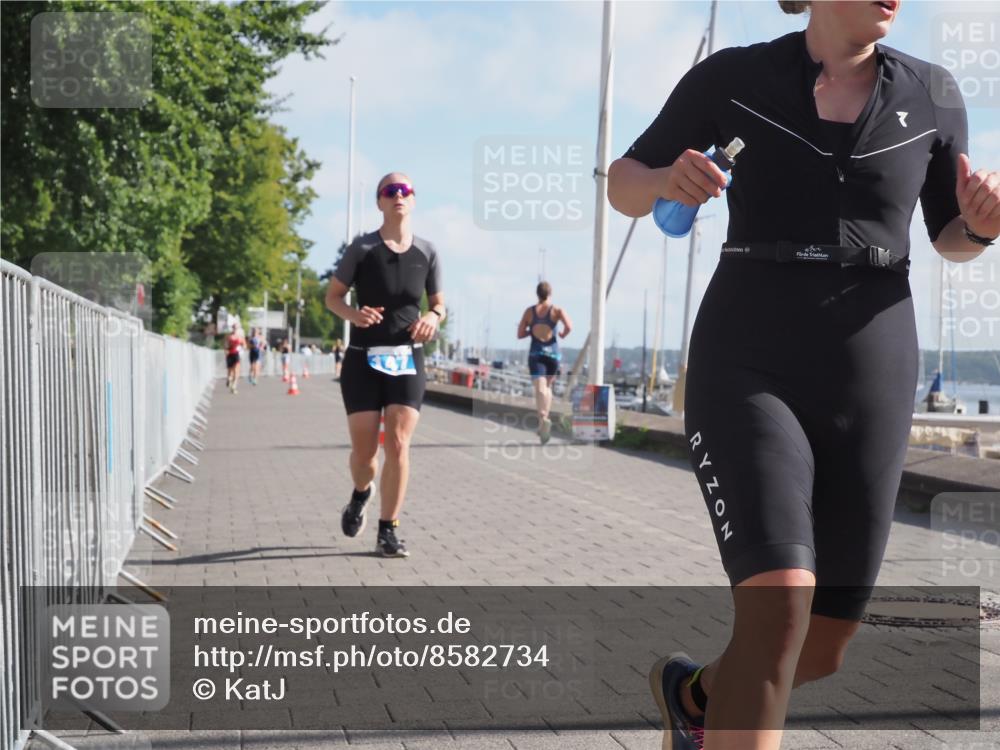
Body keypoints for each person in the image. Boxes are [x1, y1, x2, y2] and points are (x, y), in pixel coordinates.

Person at [607, 2, 998, 749]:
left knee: (819, 647)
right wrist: (666, 179)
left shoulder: (935, 91)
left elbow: (951, 235)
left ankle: (693, 699)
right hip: (750, 355)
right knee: (780, 606)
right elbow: (623, 183)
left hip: (874, 369)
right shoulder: (733, 77)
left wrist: (981, 222)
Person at [324, 172, 445, 558]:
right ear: (379, 202)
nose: (398, 196)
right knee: (364, 457)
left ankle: (388, 530)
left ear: (413, 200)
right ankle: (361, 493)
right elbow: (333, 297)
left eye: (405, 190)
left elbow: (439, 304)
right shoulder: (361, 248)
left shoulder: (427, 252)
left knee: (397, 443)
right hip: (363, 359)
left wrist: (434, 318)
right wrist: (353, 315)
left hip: (407, 358)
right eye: (390, 191)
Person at [516, 281, 571, 444]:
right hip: (554, 356)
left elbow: (519, 334)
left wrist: (531, 331)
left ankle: (543, 418)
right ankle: (543, 424)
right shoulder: (557, 310)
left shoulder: (530, 312)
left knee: (540, 389)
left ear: (537, 294)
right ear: (550, 294)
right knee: (546, 388)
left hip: (537, 354)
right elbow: (569, 327)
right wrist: (561, 334)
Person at [225, 326, 245, 394]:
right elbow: (225, 345)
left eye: (235, 328)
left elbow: (244, 345)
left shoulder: (239, 337)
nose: (234, 329)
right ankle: (229, 379)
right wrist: (226, 350)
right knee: (230, 370)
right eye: (233, 328)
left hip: (236, 354)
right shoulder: (229, 336)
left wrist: (242, 348)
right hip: (230, 354)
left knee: (236, 370)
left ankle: (234, 385)